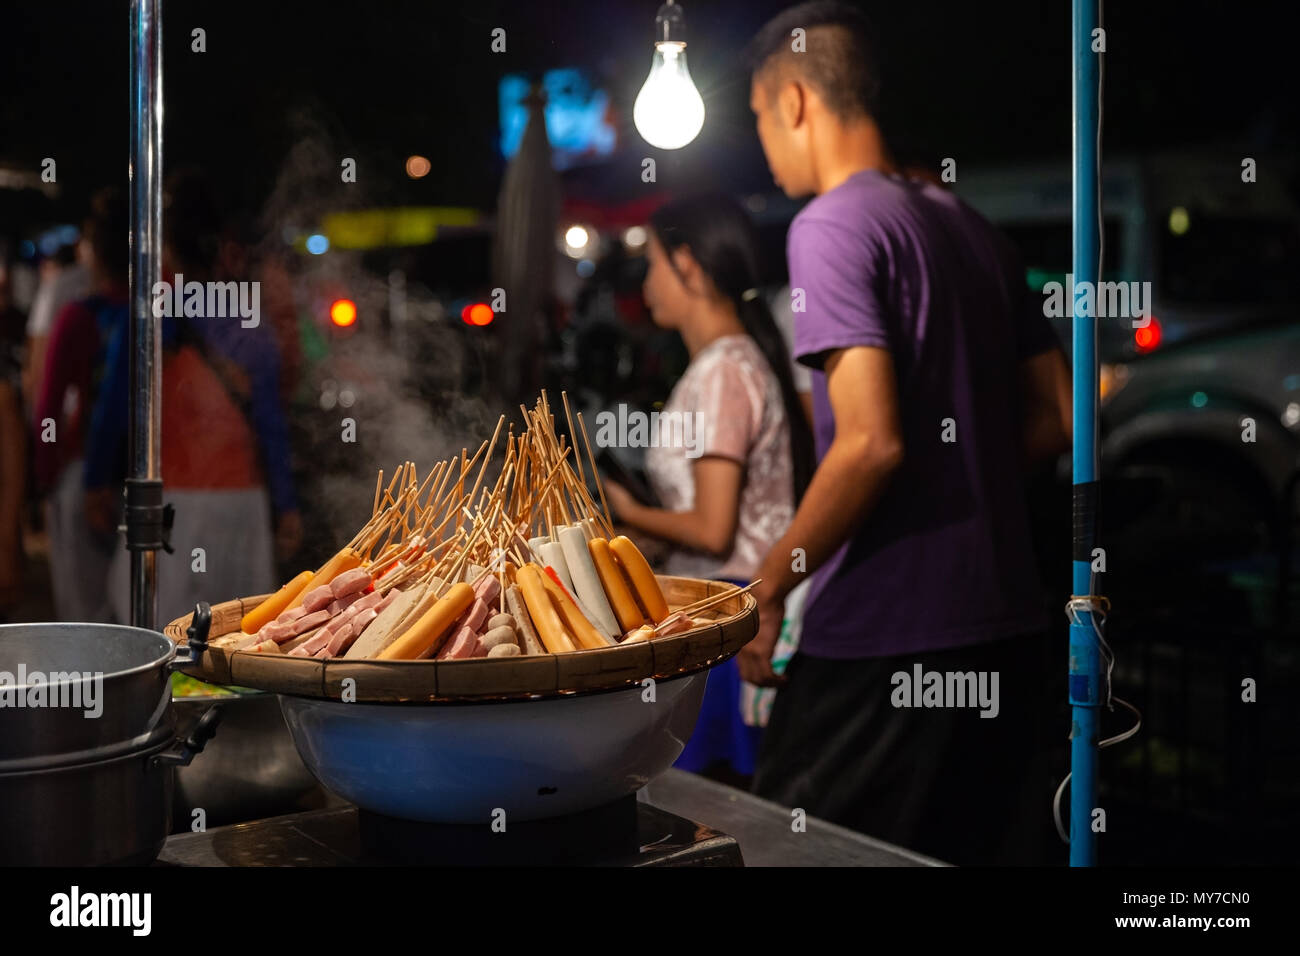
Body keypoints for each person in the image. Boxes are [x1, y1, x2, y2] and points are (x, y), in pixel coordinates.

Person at [740, 2, 1073, 865]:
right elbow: (1058, 416)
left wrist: (767, 587)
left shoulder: (831, 225)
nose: (766, 149)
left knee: (793, 852)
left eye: (758, 120)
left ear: (797, 103)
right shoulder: (974, 229)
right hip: (1007, 628)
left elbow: (869, 442)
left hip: (885, 643)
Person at [603, 193, 815, 780]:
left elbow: (713, 528)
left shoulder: (723, 370)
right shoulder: (729, 362)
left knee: (712, 802)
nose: (647, 281)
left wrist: (626, 511)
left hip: (727, 613)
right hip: (724, 609)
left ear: (688, 264)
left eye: (654, 262)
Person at [90, 170, 301, 625]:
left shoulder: (147, 314)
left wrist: (95, 480)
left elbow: (112, 410)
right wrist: (286, 508)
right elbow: (271, 425)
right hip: (240, 505)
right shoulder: (248, 317)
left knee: (162, 641)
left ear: (166, 242)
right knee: (237, 640)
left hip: (171, 505)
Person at [32, 189, 128, 622]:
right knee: (139, 613)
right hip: (151, 478)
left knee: (83, 614)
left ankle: (89, 690)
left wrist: (45, 479)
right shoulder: (159, 313)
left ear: (94, 252)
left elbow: (49, 404)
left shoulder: (78, 315)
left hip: (83, 474)